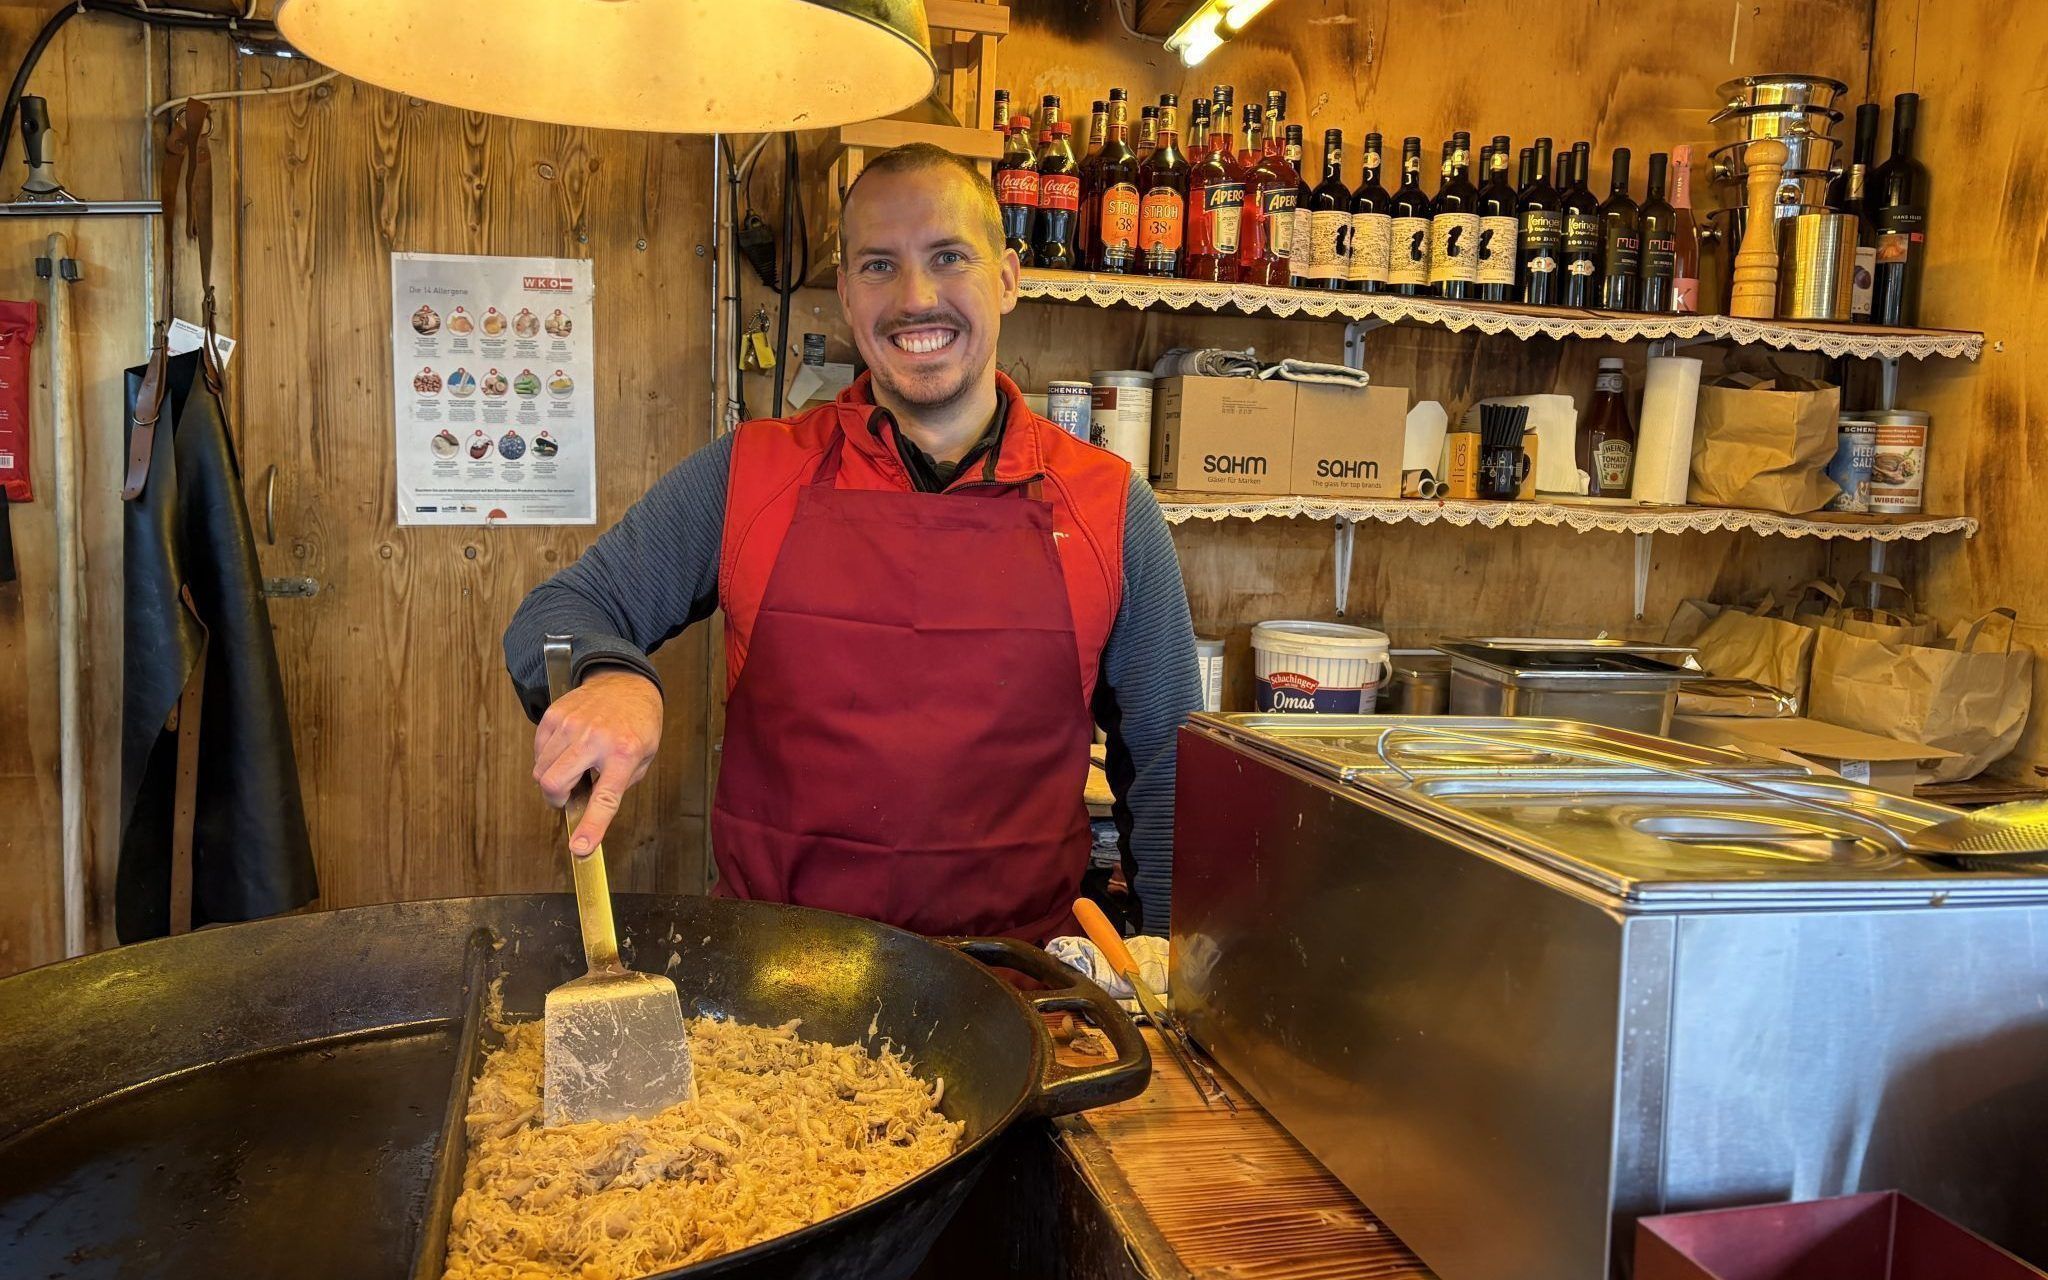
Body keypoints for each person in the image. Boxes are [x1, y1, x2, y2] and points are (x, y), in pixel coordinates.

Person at [504, 143, 1201, 941]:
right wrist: (610, 674)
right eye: (877, 266)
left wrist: (1174, 980)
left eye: (948, 257)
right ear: (843, 292)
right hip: (773, 995)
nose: (915, 297)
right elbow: (558, 610)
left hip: (1020, 997)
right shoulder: (750, 474)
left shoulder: (1109, 505)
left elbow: (1173, 777)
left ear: (1008, 277)